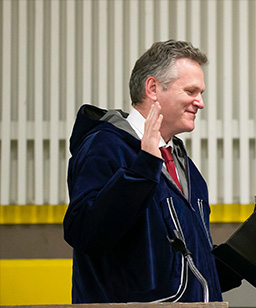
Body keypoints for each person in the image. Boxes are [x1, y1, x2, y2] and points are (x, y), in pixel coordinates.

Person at [64, 40, 240, 304]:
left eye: (201, 92)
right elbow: (84, 233)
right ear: (153, 88)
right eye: (191, 91)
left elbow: (182, 264)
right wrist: (143, 168)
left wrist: (248, 260)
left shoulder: (183, 164)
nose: (200, 103)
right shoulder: (104, 147)